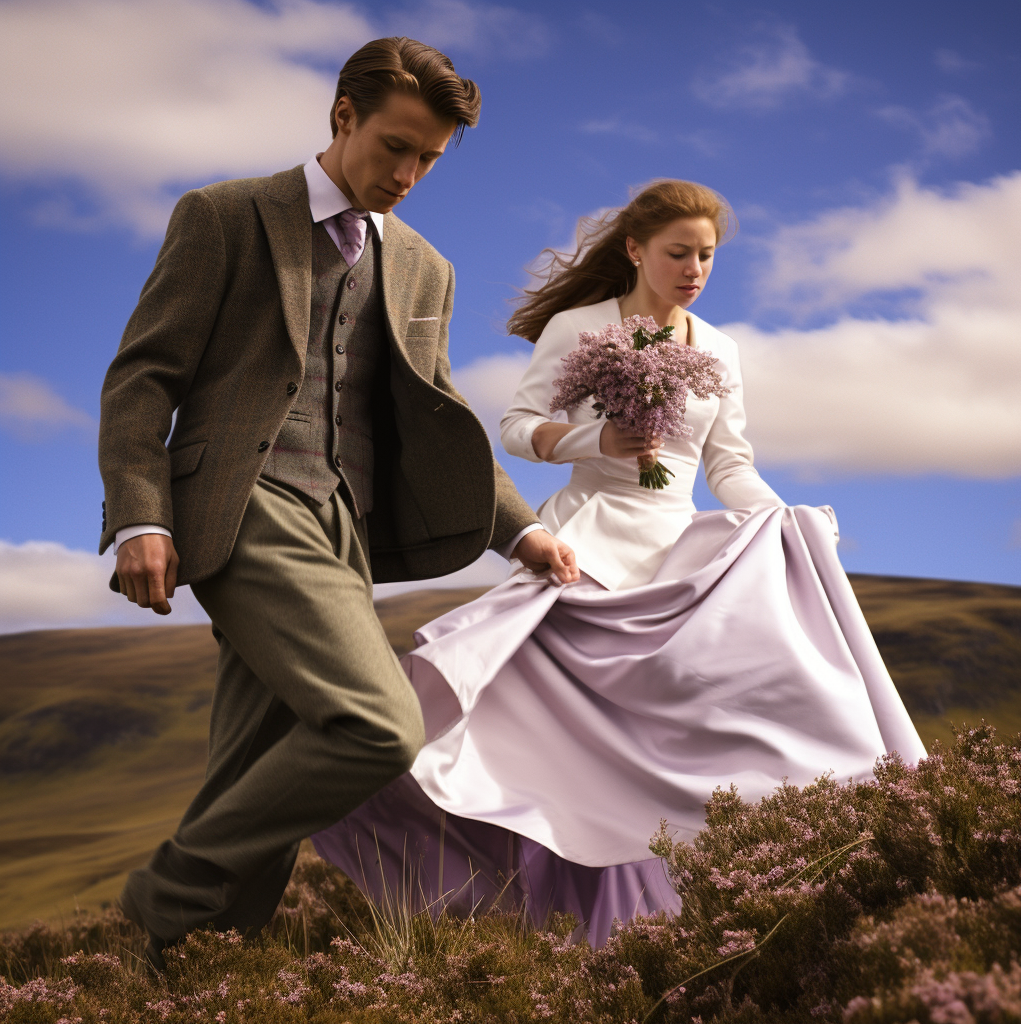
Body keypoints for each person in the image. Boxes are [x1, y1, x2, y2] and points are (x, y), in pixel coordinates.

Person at [311, 178, 927, 945]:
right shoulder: (579, 327)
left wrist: (779, 519)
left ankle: (662, 924)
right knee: (536, 729)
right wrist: (593, 443)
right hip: (584, 545)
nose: (695, 268)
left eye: (707, 256)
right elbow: (515, 426)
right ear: (636, 250)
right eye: (679, 252)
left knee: (691, 730)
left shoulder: (722, 349)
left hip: (673, 553)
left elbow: (729, 464)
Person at [98, 37, 577, 969]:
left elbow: (444, 418)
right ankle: (170, 892)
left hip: (347, 532)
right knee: (377, 724)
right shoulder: (227, 216)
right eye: (395, 146)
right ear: (342, 115)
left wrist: (521, 533)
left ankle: (184, 970)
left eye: (430, 158)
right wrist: (141, 515)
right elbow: (144, 378)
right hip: (242, 508)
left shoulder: (424, 268)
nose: (409, 172)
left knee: (253, 759)